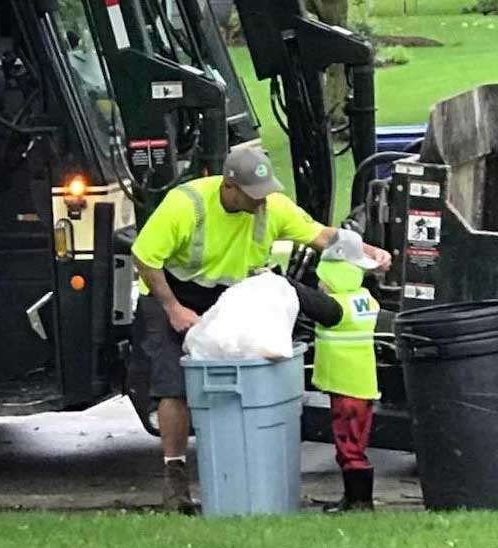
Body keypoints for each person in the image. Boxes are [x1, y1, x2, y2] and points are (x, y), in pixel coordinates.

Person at [130, 145, 392, 514]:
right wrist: (174, 309)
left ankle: (241, 466)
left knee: (251, 365)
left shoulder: (272, 206)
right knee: (173, 382)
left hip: (229, 292)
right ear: (229, 187)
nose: (262, 202)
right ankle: (175, 479)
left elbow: (322, 236)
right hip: (171, 292)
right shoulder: (186, 204)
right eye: (253, 195)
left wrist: (368, 252)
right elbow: (145, 257)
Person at [303, 231, 382, 512]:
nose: (320, 284)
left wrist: (279, 280)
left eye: (324, 278)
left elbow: (310, 302)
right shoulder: (365, 300)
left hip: (347, 388)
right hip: (361, 385)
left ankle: (359, 501)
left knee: (348, 445)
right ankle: (355, 499)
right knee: (354, 442)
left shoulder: (337, 308)